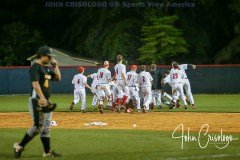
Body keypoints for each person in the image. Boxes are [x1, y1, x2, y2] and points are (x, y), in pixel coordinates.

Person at [13, 45, 61, 158]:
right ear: (42, 55)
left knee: (46, 126)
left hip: (46, 100)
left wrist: (56, 66)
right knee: (38, 126)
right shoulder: (35, 67)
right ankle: (19, 146)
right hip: (37, 100)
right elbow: (35, 84)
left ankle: (47, 152)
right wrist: (42, 98)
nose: (50, 59)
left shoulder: (47, 68)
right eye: (49, 56)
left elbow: (58, 78)